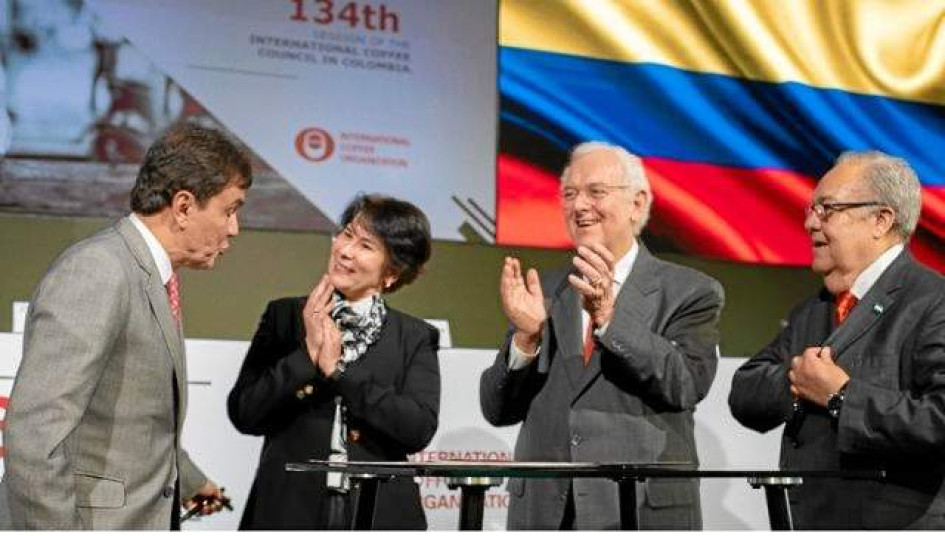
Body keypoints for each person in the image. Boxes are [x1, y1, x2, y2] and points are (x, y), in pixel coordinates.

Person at [2, 123, 251, 529]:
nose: (234, 228)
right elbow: (35, 435)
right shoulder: (98, 272)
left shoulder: (150, 276)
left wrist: (187, 478)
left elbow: (132, 419)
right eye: (230, 209)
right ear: (184, 206)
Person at [479, 142, 724, 530]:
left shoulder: (690, 291)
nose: (579, 206)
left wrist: (610, 319)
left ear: (638, 203)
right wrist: (526, 341)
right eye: (569, 194)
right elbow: (497, 409)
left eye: (596, 192)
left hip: (638, 508)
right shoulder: (544, 289)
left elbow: (686, 383)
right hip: (546, 513)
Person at [729, 151, 945, 529]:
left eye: (827, 209)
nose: (809, 222)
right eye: (811, 209)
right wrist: (798, 382)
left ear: (881, 220)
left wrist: (841, 396)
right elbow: (746, 395)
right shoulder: (814, 309)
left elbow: (939, 419)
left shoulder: (933, 302)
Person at [228, 194, 440, 530]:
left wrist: (340, 373)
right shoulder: (285, 317)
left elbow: (417, 428)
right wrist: (306, 359)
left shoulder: (414, 336)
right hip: (287, 509)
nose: (344, 250)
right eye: (346, 233)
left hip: (379, 510)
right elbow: (245, 414)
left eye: (366, 245)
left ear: (392, 272)